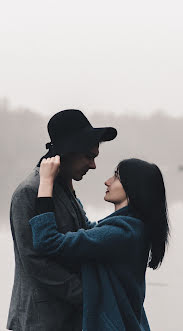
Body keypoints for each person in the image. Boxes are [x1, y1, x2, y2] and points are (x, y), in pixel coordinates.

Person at [29, 155, 170, 331]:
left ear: (133, 187)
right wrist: (69, 188)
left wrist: (46, 183)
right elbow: (90, 231)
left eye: (116, 177)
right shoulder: (132, 228)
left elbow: (47, 241)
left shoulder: (122, 233)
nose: (107, 182)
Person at [7, 109, 117, 331]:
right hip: (41, 321)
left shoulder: (63, 185)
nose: (93, 165)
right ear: (68, 152)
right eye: (89, 156)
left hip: (69, 318)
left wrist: (125, 228)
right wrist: (87, 294)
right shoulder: (29, 191)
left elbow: (84, 232)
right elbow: (35, 262)